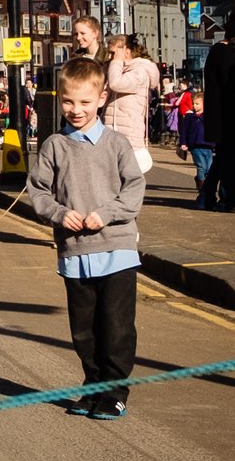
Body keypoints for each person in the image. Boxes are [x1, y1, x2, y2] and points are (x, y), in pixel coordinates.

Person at [25, 58, 146, 421]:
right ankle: (93, 387)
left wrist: (105, 214)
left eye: (84, 102)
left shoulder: (116, 144)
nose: (75, 110)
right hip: (75, 252)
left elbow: (135, 187)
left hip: (117, 248)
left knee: (116, 325)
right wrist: (61, 214)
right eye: (68, 102)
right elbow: (39, 192)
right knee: (84, 330)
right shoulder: (54, 145)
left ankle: (114, 392)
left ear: (102, 98)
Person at [199, 17, 235, 212]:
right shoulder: (227, 53)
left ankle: (206, 197)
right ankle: (226, 199)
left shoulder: (216, 52)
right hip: (229, 116)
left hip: (220, 115)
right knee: (230, 160)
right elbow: (233, 84)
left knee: (222, 159)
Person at [102, 34, 159, 176]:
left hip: (129, 134)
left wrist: (116, 63)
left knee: (125, 179)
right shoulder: (120, 69)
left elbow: (116, 84)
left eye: (113, 53)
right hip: (115, 130)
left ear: (126, 52)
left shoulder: (140, 72)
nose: (111, 57)